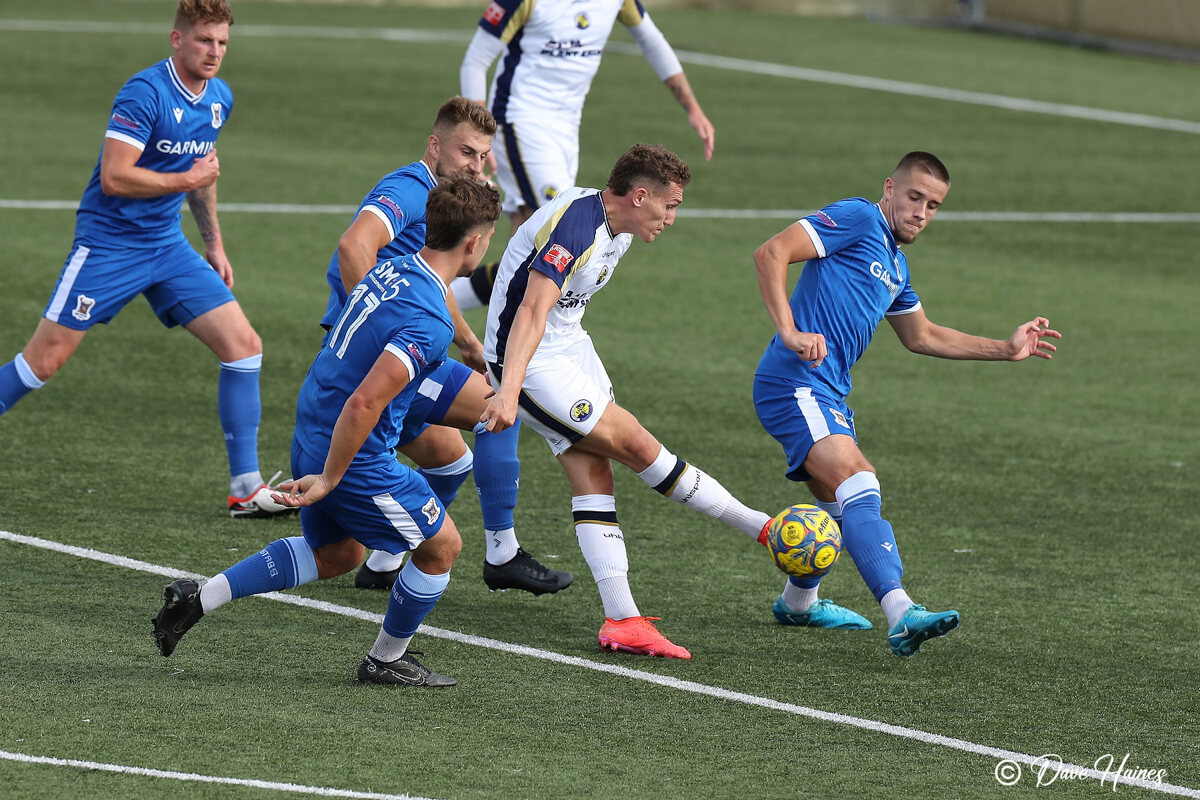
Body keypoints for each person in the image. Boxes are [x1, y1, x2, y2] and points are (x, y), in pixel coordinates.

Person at [152, 177, 502, 687]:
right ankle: (385, 659)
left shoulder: (396, 268)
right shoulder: (430, 320)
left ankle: (197, 598)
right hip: (355, 453)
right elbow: (366, 401)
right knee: (442, 547)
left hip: (313, 424)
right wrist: (332, 478)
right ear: (475, 242)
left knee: (338, 554)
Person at [751, 151, 1062, 658]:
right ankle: (901, 611)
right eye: (914, 197)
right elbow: (771, 253)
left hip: (827, 391)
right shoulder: (858, 217)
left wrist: (1005, 350)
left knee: (835, 510)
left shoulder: (896, 265)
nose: (921, 211)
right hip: (795, 383)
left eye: (933, 205)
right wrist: (789, 331)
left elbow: (922, 335)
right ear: (890, 188)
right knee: (859, 480)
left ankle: (798, 603)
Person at [479, 144, 776, 660]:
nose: (672, 218)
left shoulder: (619, 227)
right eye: (671, 205)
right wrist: (508, 390)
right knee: (638, 444)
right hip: (528, 362)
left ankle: (622, 619)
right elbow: (530, 311)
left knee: (595, 475)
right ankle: (763, 529)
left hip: (568, 347)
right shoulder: (577, 229)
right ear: (640, 197)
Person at [0, 0, 290, 518]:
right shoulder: (145, 92)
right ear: (177, 39)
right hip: (109, 245)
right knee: (42, 363)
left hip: (167, 246)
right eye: (204, 40)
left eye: (222, 42)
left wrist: (214, 243)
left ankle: (246, 488)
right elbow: (116, 175)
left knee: (244, 346)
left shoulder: (219, 98)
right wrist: (186, 181)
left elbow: (204, 177)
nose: (214, 52)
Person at [321, 97, 570, 596]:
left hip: (401, 353)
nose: (474, 166)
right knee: (501, 404)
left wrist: (470, 343)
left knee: (452, 463)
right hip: (382, 360)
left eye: (482, 156)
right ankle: (501, 552)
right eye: (464, 152)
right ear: (435, 146)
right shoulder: (410, 189)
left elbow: (429, 280)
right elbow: (353, 247)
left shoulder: (446, 205)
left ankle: (386, 558)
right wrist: (372, 327)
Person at [449, 0, 716, 312]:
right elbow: (475, 61)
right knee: (557, 233)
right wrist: (482, 135)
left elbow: (651, 39)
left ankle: (433, 300)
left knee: (527, 249)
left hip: (567, 130)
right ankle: (518, 343)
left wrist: (692, 108)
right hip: (521, 122)